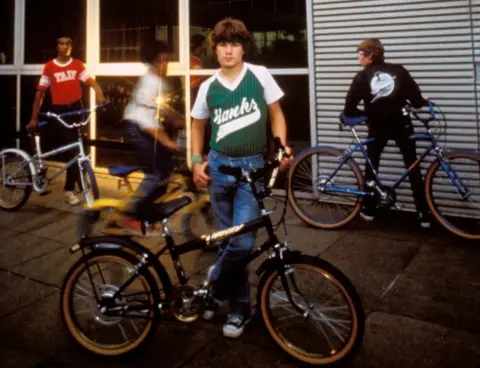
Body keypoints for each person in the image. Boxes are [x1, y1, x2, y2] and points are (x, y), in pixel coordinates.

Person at [191, 17, 292, 338]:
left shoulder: (259, 75)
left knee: (243, 242)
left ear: (243, 47)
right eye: (222, 44)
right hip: (219, 167)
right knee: (227, 240)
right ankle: (238, 309)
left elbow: (276, 114)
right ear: (215, 49)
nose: (228, 50)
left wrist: (282, 146)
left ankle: (215, 285)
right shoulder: (208, 86)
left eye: (234, 44)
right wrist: (195, 161)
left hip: (251, 169)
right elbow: (197, 126)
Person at [343, 38, 431, 228]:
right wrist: (423, 101)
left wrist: (366, 115)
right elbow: (416, 100)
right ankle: (423, 214)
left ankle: (368, 209)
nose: (359, 59)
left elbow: (349, 109)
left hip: (377, 126)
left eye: (360, 55)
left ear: (370, 56)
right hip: (402, 125)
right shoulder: (399, 70)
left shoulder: (362, 77)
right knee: (413, 166)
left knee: (372, 165)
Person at [116, 40, 184, 234]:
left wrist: (183, 121)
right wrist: (167, 141)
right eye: (167, 61)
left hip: (143, 128)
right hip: (137, 129)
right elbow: (147, 121)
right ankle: (129, 215)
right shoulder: (150, 82)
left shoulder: (158, 82)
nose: (168, 66)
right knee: (155, 173)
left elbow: (163, 110)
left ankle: (145, 212)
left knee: (166, 171)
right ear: (159, 60)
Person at [27, 37, 105, 206]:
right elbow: (40, 94)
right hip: (60, 111)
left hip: (76, 108)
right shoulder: (50, 67)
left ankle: (78, 182)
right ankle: (70, 189)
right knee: (72, 150)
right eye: (61, 43)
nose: (64, 46)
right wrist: (34, 117)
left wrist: (99, 94)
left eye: (68, 43)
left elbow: (92, 82)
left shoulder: (77, 64)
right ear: (57, 47)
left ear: (71, 47)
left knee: (77, 147)